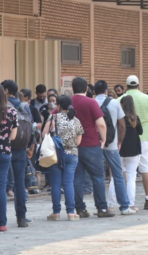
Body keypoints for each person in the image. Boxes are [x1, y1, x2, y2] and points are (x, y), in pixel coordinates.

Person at [65, 77, 112, 217]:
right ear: (87, 89)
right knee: (97, 177)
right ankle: (102, 208)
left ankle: (80, 208)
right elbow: (101, 124)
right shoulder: (91, 102)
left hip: (72, 145)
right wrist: (103, 139)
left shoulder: (67, 103)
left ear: (72, 88)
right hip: (91, 144)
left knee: (77, 178)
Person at [119, 76, 148, 210]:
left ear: (126, 86)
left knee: (125, 170)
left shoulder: (120, 99)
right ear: (138, 85)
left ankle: (126, 201)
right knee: (146, 169)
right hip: (145, 138)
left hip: (126, 140)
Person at [94, 81, 136, 215]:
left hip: (95, 144)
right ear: (106, 90)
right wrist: (119, 141)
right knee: (118, 175)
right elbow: (122, 124)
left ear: (94, 91)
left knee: (98, 176)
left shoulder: (92, 103)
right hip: (111, 144)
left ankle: (102, 207)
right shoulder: (114, 103)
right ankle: (124, 206)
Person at [42, 96, 83, 221]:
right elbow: (79, 141)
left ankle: (56, 212)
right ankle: (71, 212)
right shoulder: (76, 120)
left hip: (56, 154)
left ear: (58, 106)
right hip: (72, 154)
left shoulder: (53, 117)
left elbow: (44, 134)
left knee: (55, 183)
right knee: (69, 182)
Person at [1, 80, 32, 228]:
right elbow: (32, 128)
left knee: (2, 183)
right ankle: (21, 217)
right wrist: (30, 146)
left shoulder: (1, 107)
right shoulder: (24, 106)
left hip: (3, 147)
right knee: (20, 183)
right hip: (21, 148)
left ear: (6, 91)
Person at [0, 84, 18, 231]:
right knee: (1, 187)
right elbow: (13, 135)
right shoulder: (12, 111)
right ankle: (2, 222)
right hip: (5, 152)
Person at [118, 96, 143, 210]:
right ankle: (131, 204)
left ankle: (112, 204)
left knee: (116, 176)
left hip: (120, 148)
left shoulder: (119, 118)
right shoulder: (135, 118)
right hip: (133, 149)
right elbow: (141, 132)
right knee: (131, 177)